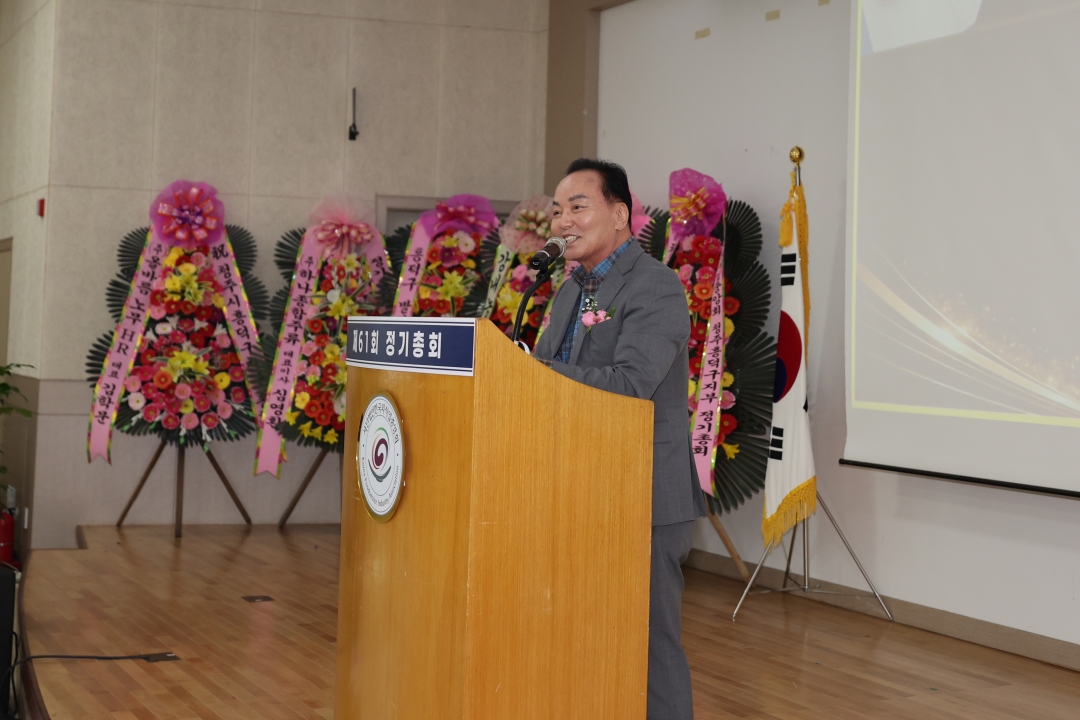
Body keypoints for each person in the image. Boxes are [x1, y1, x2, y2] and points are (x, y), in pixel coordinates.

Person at [534, 158, 706, 719]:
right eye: (557, 210)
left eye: (577, 206)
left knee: (650, 647)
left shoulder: (655, 286)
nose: (563, 221)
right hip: (578, 489)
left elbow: (632, 385)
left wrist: (534, 373)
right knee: (587, 638)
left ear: (620, 214)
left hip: (642, 496)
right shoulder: (568, 292)